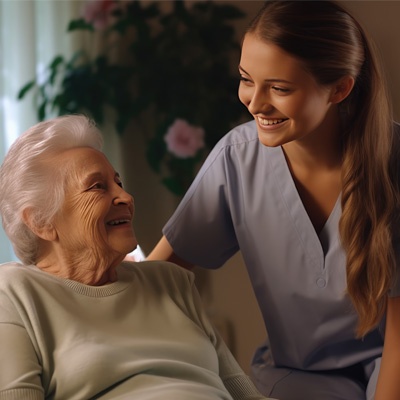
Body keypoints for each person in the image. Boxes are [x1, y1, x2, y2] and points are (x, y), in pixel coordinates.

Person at [147, 1, 400, 399]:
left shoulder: (392, 164)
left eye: (279, 88)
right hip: (295, 380)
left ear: (339, 88)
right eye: (247, 79)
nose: (254, 102)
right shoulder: (237, 158)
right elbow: (156, 279)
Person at [0, 114, 273, 400]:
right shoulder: (15, 293)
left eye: (118, 182)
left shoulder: (170, 281)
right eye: (98, 187)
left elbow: (244, 393)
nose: (126, 197)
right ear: (41, 222)